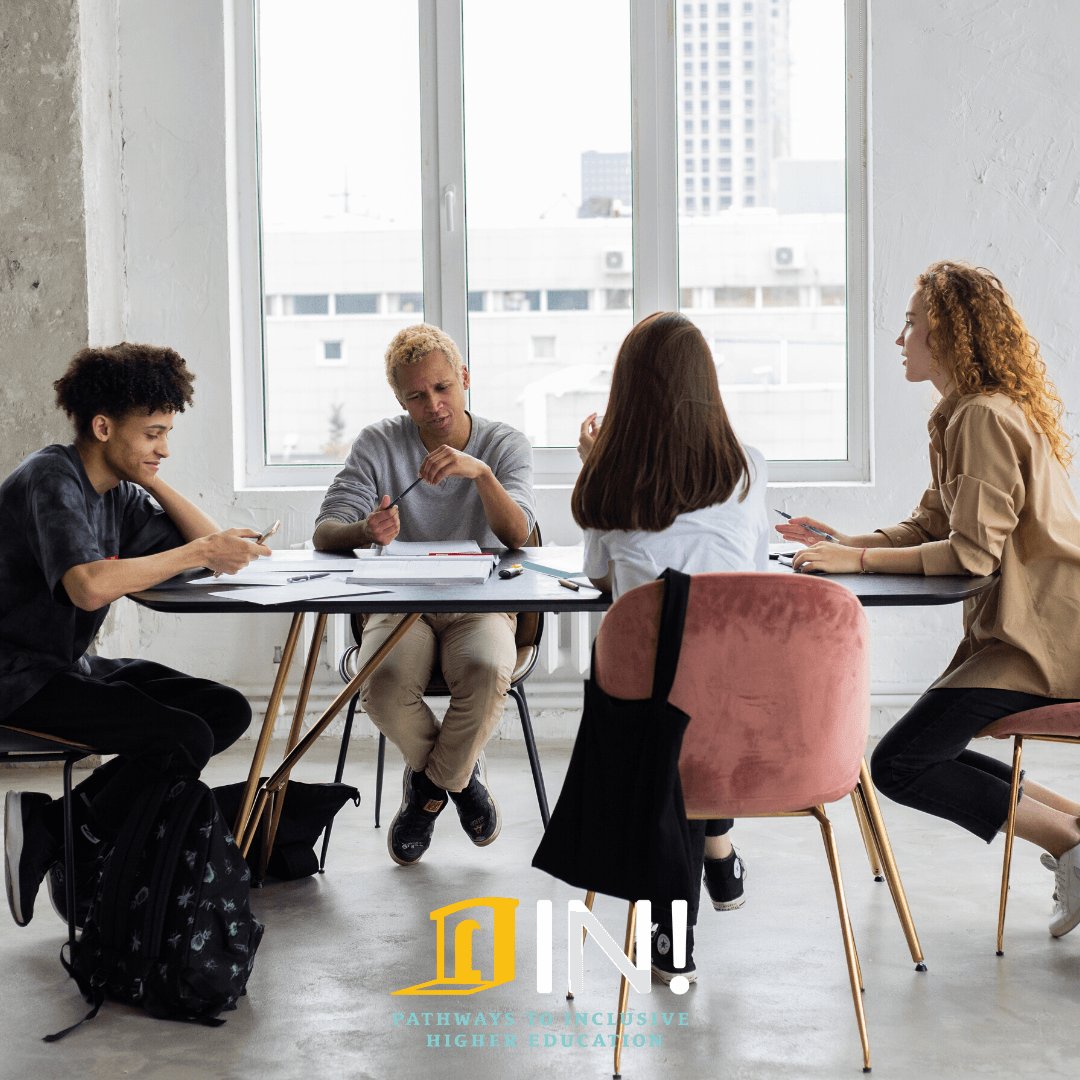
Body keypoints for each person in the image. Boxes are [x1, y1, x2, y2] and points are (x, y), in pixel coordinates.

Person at [776, 261, 1080, 938]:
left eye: (913, 323)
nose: (902, 338)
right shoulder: (965, 414)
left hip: (1049, 643)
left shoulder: (981, 418)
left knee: (900, 763)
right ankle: (1076, 829)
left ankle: (1071, 849)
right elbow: (933, 525)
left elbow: (971, 555)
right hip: (1028, 636)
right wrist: (846, 539)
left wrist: (855, 560)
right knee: (917, 751)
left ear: (947, 334)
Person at [2, 343, 269, 929]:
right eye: (152, 434)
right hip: (14, 677)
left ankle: (65, 831)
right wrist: (200, 547)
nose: (164, 447)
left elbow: (209, 558)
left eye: (167, 433)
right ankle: (68, 839)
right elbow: (88, 587)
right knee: (182, 738)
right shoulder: (52, 478)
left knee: (223, 711)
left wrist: (154, 480)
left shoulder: (116, 493)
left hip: (63, 666)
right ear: (102, 426)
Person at [572, 311, 770, 984]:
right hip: (739, 704)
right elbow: (755, 579)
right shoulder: (749, 472)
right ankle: (717, 845)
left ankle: (671, 933)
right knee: (702, 695)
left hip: (638, 717)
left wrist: (594, 465)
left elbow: (600, 580)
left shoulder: (608, 484)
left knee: (668, 710)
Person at [313, 324, 535, 867]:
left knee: (486, 671)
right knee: (382, 687)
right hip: (398, 601)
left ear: (463, 379)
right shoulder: (378, 443)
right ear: (399, 398)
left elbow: (519, 535)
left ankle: (427, 792)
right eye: (416, 395)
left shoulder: (503, 444)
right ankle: (461, 780)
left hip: (480, 601)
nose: (433, 405)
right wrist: (366, 530)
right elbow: (325, 532)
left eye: (442, 388)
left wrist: (480, 474)